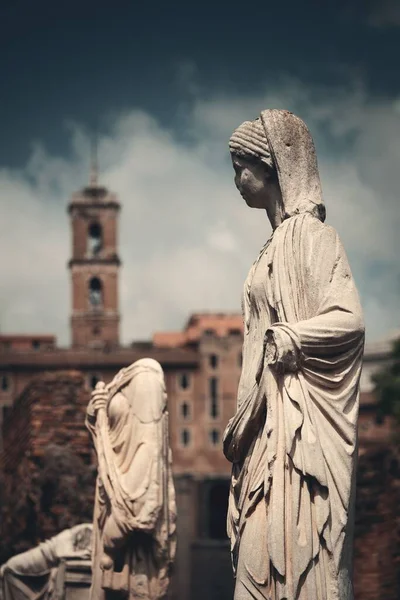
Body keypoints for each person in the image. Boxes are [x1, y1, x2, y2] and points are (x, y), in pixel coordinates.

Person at [223, 110, 365, 600]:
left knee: (302, 566)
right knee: (253, 574)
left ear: (271, 166)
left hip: (299, 428)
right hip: (264, 434)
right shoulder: (265, 251)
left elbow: (349, 319)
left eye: (241, 166)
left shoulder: (314, 237)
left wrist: (294, 338)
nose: (237, 180)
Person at [86, 358, 176, 600]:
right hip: (114, 485)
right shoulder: (133, 379)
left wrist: (108, 546)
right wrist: (98, 413)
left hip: (126, 514)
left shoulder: (146, 381)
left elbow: (135, 513)